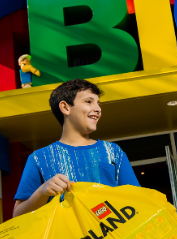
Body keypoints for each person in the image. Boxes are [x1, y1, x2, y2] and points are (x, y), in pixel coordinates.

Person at [13, 79, 140, 217]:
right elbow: (18, 216)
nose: (98, 109)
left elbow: (138, 200)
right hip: (66, 238)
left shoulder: (113, 151)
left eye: (98, 103)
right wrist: (42, 191)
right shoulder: (39, 158)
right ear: (65, 108)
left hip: (116, 236)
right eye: (88, 101)